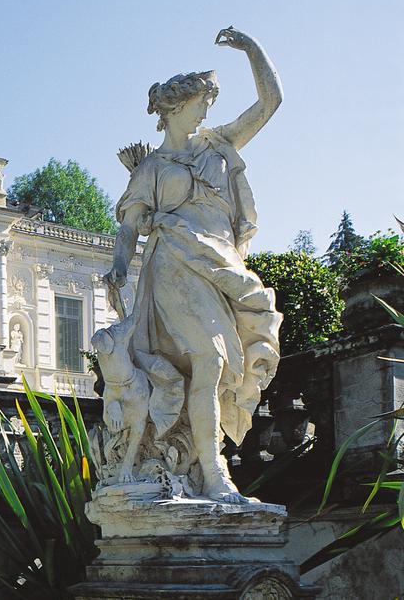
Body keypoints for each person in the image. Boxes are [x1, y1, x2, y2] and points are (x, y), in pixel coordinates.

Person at [104, 26, 283, 504]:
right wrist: (120, 266)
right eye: (202, 100)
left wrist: (252, 49)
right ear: (174, 108)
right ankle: (214, 472)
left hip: (222, 268)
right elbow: (130, 225)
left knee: (221, 368)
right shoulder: (151, 169)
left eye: (210, 100)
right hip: (174, 266)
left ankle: (205, 469)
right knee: (212, 358)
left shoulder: (220, 146)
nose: (208, 109)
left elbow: (271, 102)